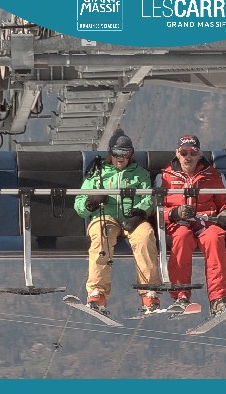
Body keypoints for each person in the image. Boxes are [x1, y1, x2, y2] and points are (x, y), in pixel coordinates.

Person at [74, 130, 162, 314]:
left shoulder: (140, 174)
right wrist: (91, 203)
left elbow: (149, 199)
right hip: (106, 216)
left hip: (132, 219)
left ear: (131, 154)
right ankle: (97, 292)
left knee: (145, 236)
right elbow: (79, 204)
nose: (121, 158)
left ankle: (149, 291)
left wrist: (139, 213)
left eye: (126, 153)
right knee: (101, 235)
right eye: (117, 153)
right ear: (110, 152)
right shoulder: (97, 173)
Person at [155, 135, 226, 316]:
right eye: (184, 152)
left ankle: (218, 299)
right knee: (182, 237)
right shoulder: (165, 177)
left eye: (193, 153)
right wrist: (173, 213)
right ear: (177, 153)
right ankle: (180, 295)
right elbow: (154, 209)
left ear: (199, 154)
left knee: (214, 238)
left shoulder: (213, 175)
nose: (188, 157)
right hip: (178, 223)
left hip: (206, 221)